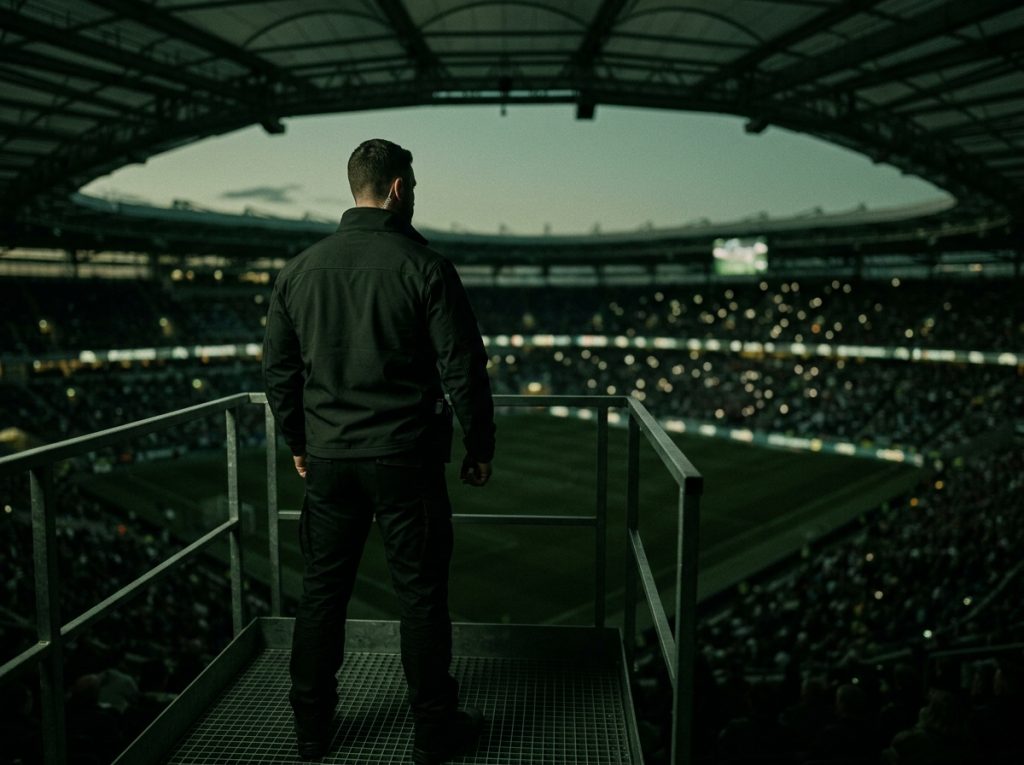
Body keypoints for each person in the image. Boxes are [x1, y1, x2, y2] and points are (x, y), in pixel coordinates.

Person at [263, 138, 496, 763]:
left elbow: (279, 376)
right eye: (413, 185)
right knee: (421, 598)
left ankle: (312, 730)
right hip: (406, 461)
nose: (414, 195)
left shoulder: (298, 270)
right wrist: (478, 445)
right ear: (397, 189)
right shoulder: (427, 268)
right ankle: (432, 729)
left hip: (330, 462)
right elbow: (464, 369)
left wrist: (299, 443)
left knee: (320, 595)